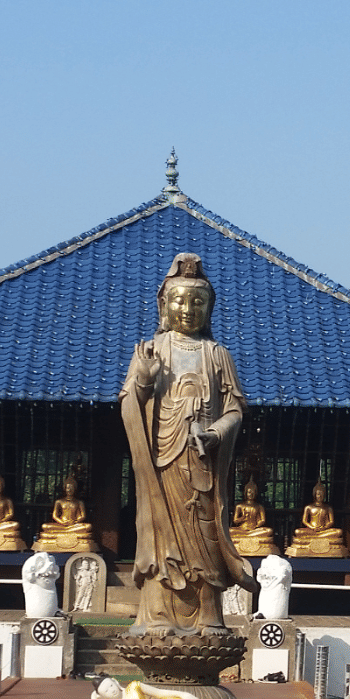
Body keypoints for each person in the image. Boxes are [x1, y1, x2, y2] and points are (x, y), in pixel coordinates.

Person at [119, 252, 258, 634]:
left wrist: (214, 434)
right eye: (179, 299)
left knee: (205, 535)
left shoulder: (216, 354)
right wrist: (145, 380)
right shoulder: (151, 351)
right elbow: (131, 403)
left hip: (202, 464)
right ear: (164, 304)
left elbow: (234, 411)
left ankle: (208, 615)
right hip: (162, 465)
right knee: (162, 537)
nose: (188, 308)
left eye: (198, 301)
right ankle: (158, 616)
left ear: (209, 307)